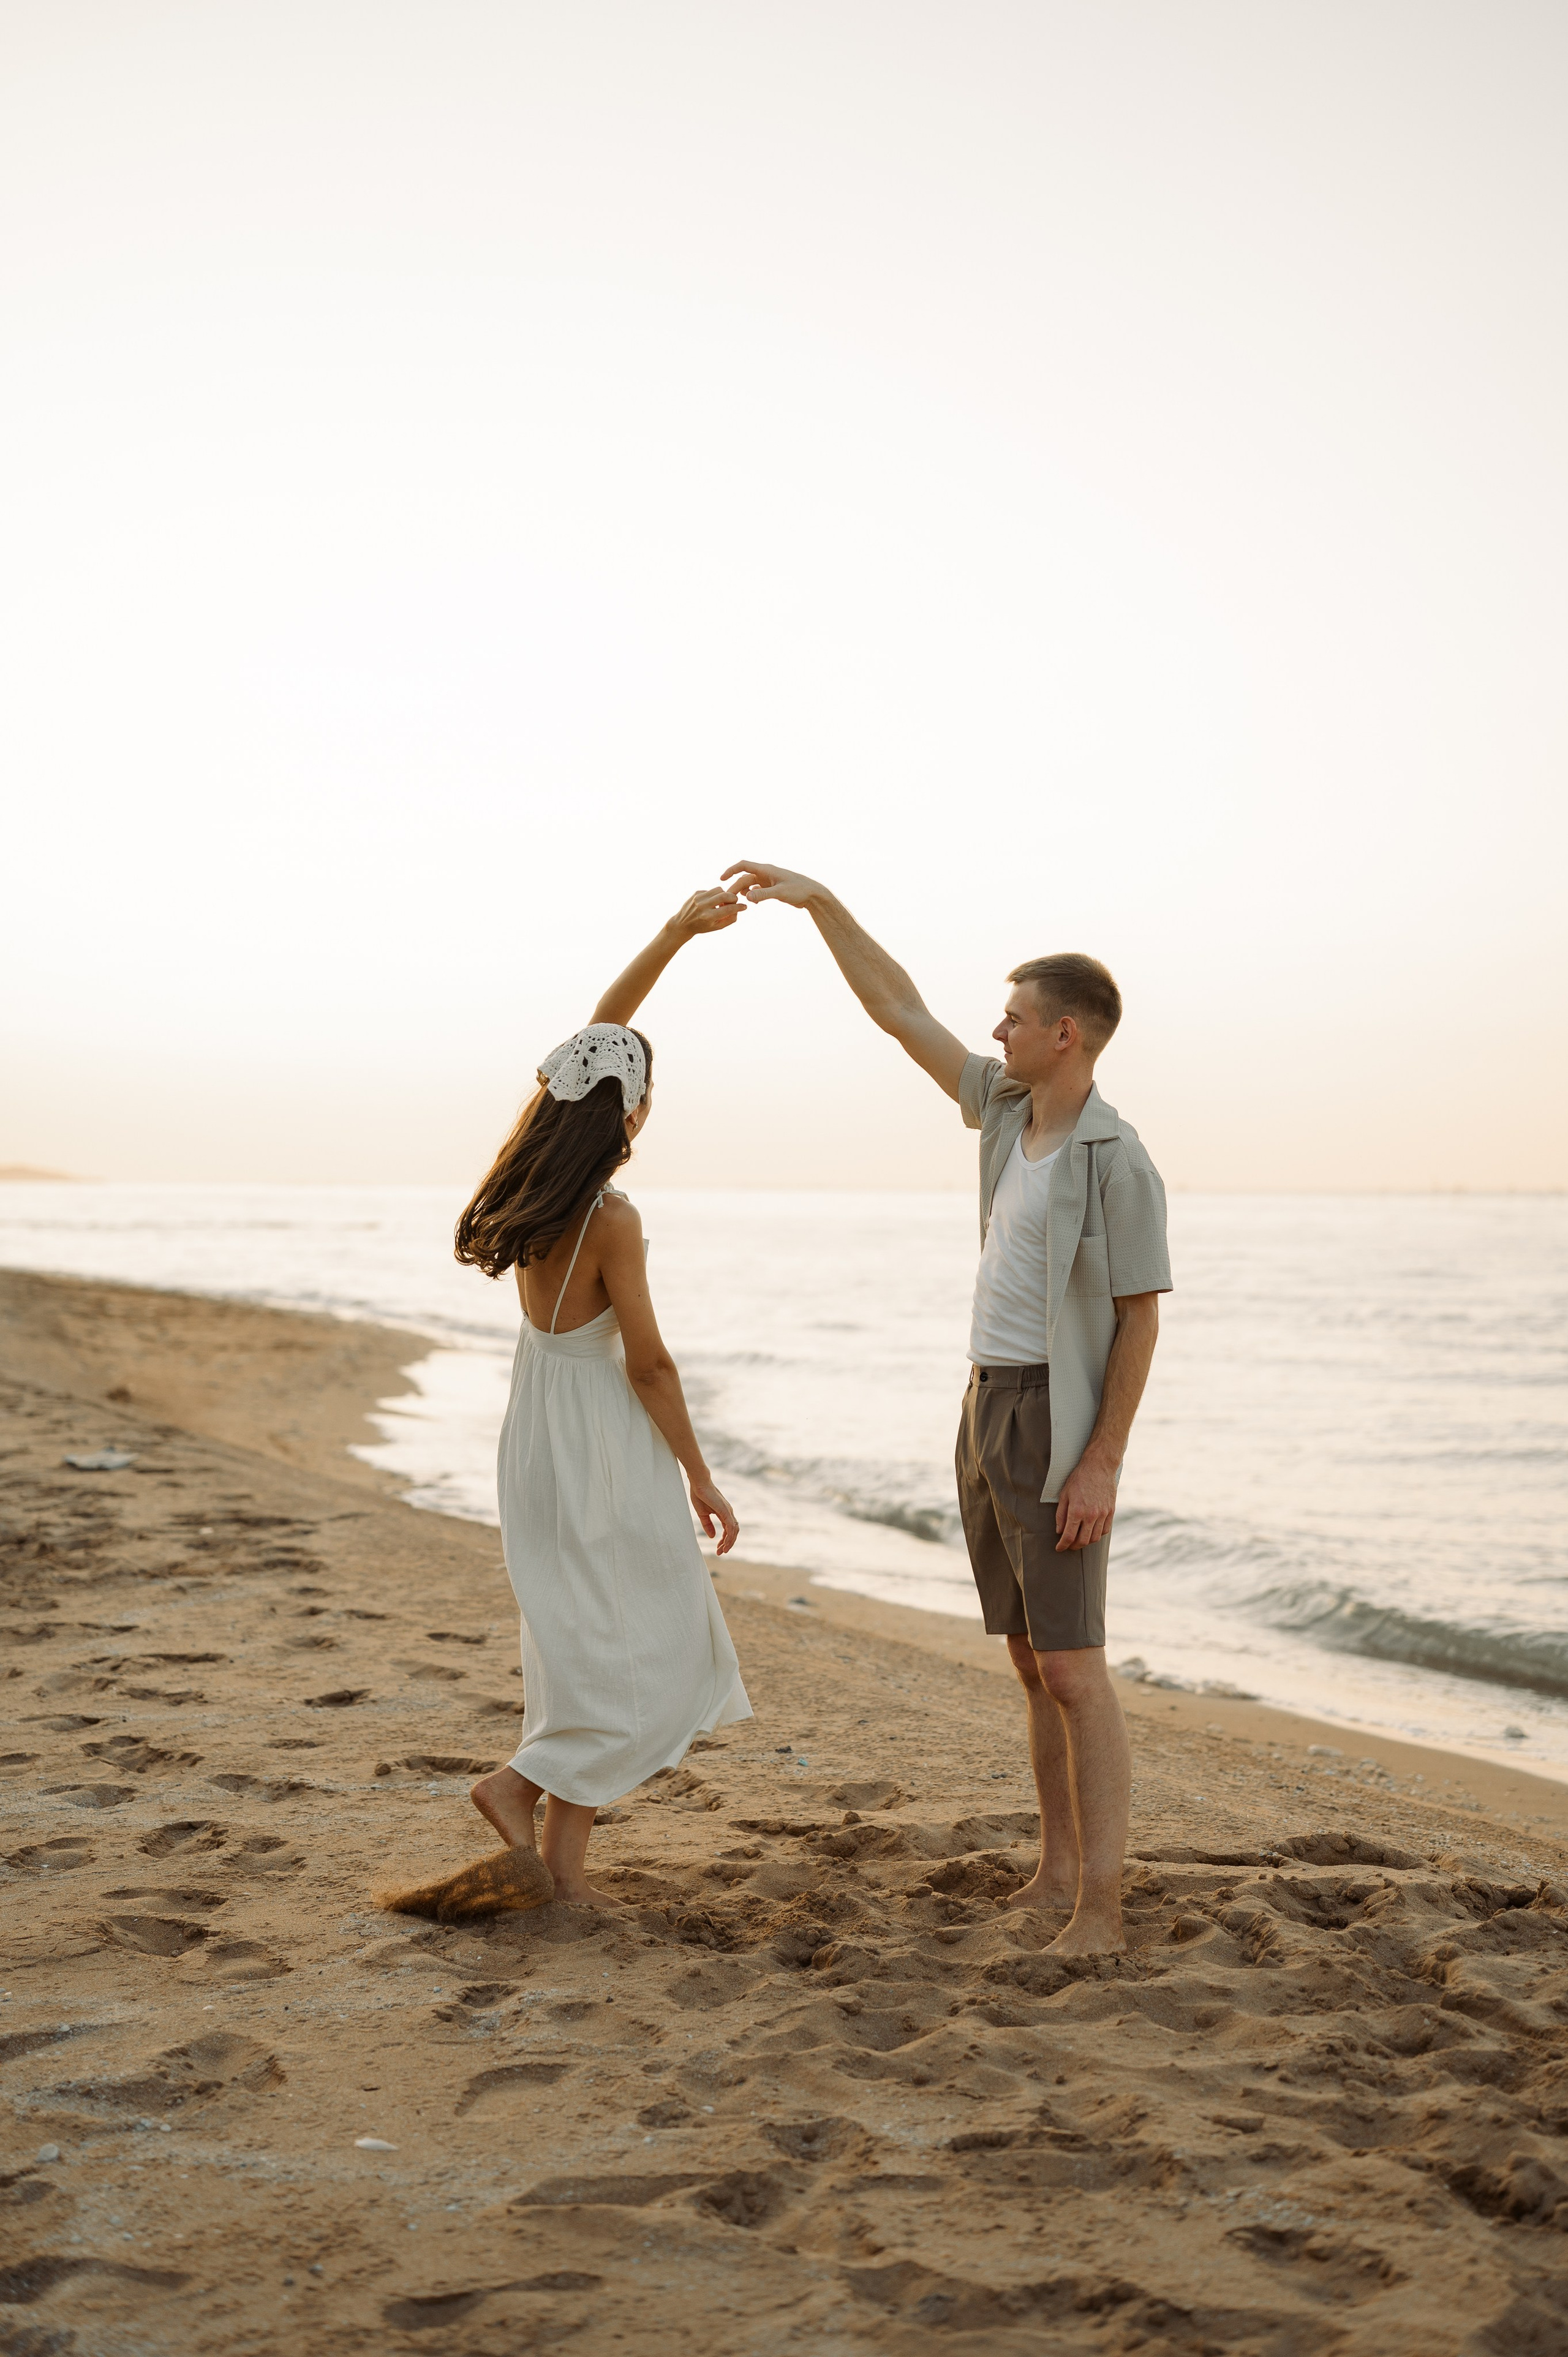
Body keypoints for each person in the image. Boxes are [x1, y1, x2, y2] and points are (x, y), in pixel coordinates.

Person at [721, 862, 1170, 1955]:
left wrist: (1102, 1462)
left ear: (1067, 1032)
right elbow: (898, 1010)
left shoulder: (1118, 1160)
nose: (997, 1030)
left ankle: (1102, 1910)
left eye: (1014, 1017)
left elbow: (1141, 1320)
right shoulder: (1003, 1109)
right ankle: (1056, 1870)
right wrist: (819, 902)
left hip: (1054, 1418)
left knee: (1074, 1666)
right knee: (1027, 1659)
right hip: (983, 1403)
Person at [452, 888, 753, 1906]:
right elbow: (651, 1366)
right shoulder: (609, 1218)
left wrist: (675, 934)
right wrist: (702, 1476)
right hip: (601, 1452)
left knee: (584, 1647)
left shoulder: (533, 1194)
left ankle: (566, 1879)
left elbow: (603, 1034)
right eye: (648, 1091)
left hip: (537, 1438)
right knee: (649, 1642)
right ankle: (515, 1781)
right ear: (627, 1113)